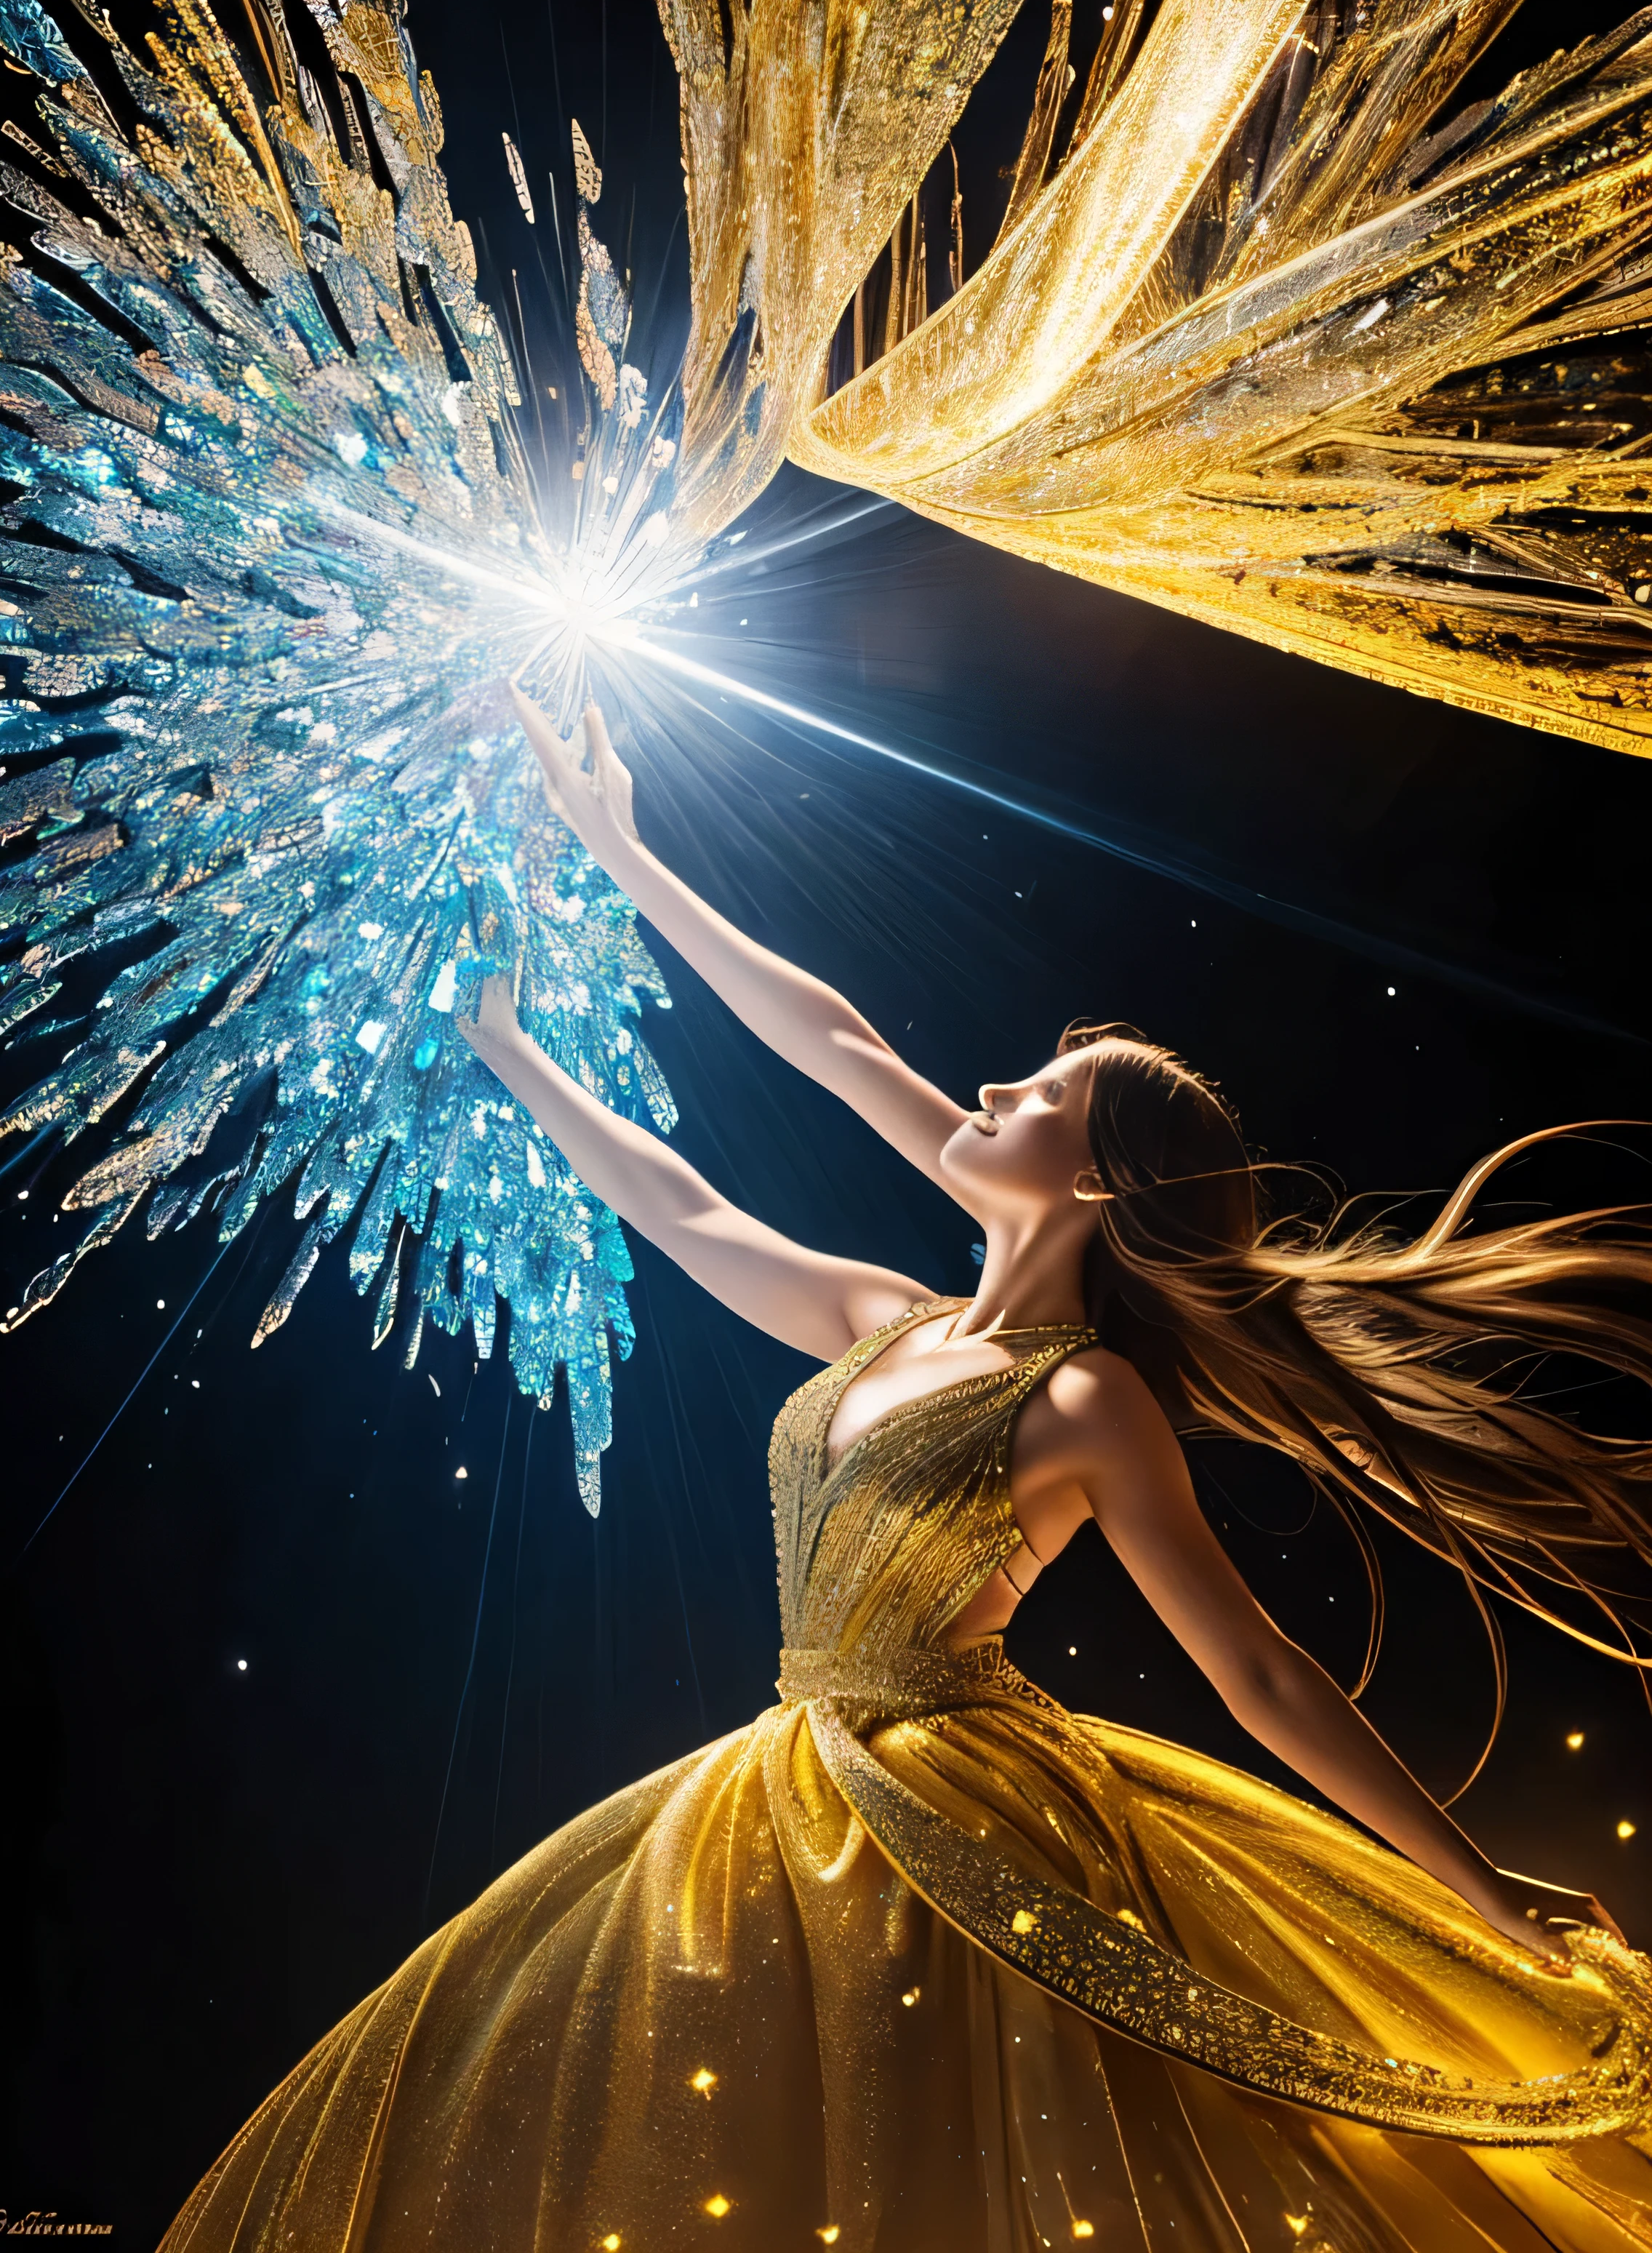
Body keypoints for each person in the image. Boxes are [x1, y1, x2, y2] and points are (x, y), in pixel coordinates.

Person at [164, 689, 1652, 2253]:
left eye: (1037, 1099)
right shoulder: (887, 1317)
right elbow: (707, 1195)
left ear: (1092, 1181)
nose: (995, 1093)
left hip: (967, 1810)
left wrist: (1478, 1880)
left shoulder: (1088, 1397)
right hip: (783, 1774)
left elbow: (1259, 1671)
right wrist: (540, 994)